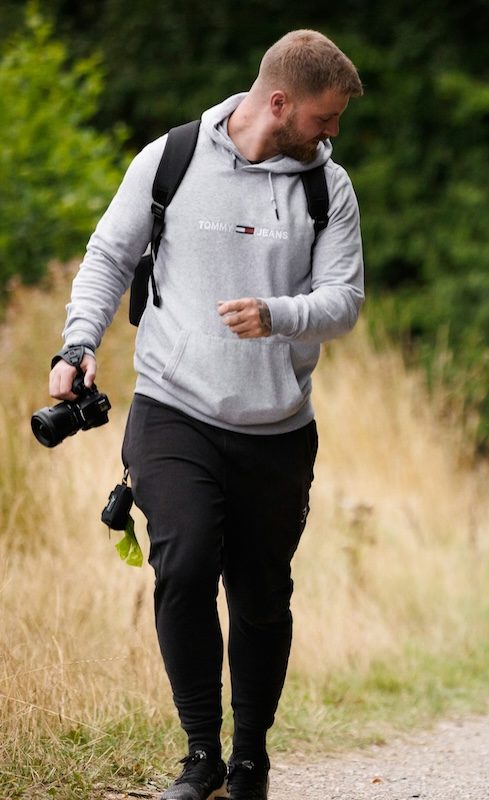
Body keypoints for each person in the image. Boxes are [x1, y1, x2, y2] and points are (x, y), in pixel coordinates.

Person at [48, 30, 365, 800]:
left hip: (276, 429)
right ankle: (200, 756)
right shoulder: (171, 159)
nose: (333, 133)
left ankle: (250, 756)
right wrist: (75, 344)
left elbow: (345, 302)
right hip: (174, 407)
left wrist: (277, 314)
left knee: (261, 595)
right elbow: (108, 254)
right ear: (280, 102)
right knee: (184, 564)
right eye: (326, 117)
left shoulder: (330, 187)